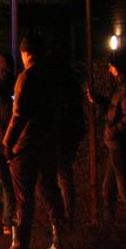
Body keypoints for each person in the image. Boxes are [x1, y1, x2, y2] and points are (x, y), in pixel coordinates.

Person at [0, 33, 66, 249]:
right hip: (48, 143)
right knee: (50, 191)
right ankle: (60, 240)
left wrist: (8, 142)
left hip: (27, 145)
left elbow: (19, 114)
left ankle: (21, 243)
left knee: (24, 196)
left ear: (25, 54)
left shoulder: (27, 78)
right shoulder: (54, 78)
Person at [87, 54, 126, 225]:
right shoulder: (123, 87)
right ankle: (111, 227)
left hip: (120, 144)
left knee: (123, 185)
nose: (109, 70)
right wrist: (99, 100)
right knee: (108, 189)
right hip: (115, 144)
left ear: (119, 67)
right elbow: (115, 109)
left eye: (111, 66)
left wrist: (114, 131)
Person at [52, 55, 86, 231]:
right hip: (69, 134)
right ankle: (65, 217)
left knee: (62, 177)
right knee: (63, 176)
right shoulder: (71, 85)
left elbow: (63, 113)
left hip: (63, 135)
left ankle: (65, 218)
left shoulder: (61, 87)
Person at [0, 53, 16, 234]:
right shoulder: (13, 84)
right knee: (5, 180)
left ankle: (0, 219)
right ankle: (6, 219)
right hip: (5, 137)